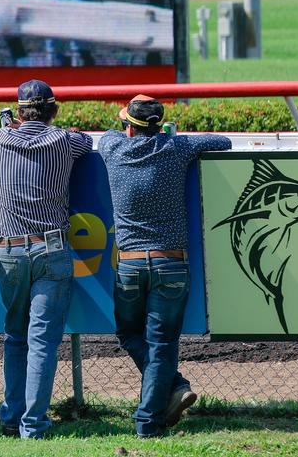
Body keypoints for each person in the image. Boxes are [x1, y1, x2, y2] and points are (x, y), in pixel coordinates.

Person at [97, 95, 232, 438]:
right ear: (159, 125)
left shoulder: (112, 147)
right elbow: (224, 141)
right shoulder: (177, 148)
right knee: (162, 344)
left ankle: (166, 396)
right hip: (171, 263)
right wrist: (170, 136)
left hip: (129, 264)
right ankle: (155, 411)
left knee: (130, 335)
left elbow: (108, 134)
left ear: (129, 126)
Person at [0, 80, 92, 438]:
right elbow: (87, 142)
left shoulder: (0, 139)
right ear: (53, 110)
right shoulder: (64, 140)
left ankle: (11, 415)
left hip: (9, 250)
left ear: (19, 112)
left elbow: (1, 127)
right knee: (43, 341)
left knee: (16, 335)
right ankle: (32, 425)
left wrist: (9, 122)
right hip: (51, 248)